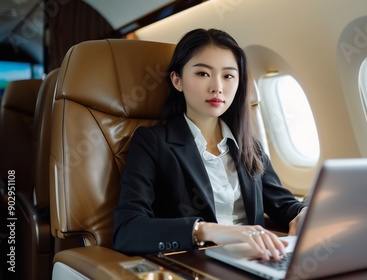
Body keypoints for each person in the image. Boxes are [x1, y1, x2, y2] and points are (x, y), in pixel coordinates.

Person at [113, 28, 307, 261]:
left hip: (260, 261)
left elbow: (283, 204)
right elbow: (128, 230)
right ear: (177, 80)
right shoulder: (152, 142)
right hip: (198, 265)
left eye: (228, 76)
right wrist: (205, 230)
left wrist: (304, 213)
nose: (217, 87)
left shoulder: (249, 146)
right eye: (203, 74)